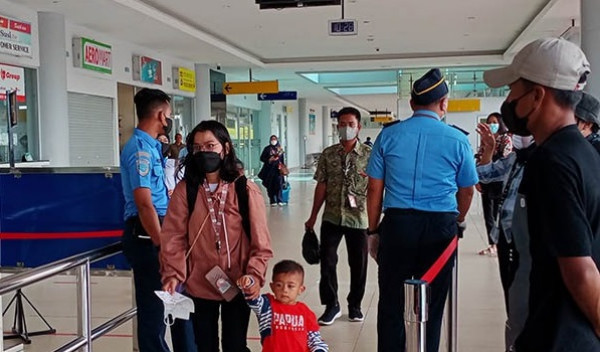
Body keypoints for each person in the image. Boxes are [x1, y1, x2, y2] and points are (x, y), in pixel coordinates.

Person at [483, 37, 600, 351]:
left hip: (559, 335)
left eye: (513, 90)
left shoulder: (551, 163)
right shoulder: (582, 152)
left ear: (536, 96)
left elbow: (579, 269)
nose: (508, 100)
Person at [366, 68, 478, 352]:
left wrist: (373, 230)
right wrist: (459, 220)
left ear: (412, 104)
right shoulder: (458, 139)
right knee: (433, 301)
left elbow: (374, 190)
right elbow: (466, 190)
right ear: (444, 103)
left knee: (391, 301)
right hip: (440, 229)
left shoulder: (388, 136)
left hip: (397, 225)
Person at [160, 120, 273, 352]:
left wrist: (254, 275)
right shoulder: (186, 190)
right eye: (198, 148)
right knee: (204, 345)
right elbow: (174, 236)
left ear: (226, 148)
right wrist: (173, 274)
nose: (204, 152)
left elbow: (261, 240)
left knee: (235, 345)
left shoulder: (244, 188)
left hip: (238, 282)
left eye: (211, 146)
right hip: (198, 283)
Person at [304, 106, 371, 326]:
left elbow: (376, 189)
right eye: (342, 124)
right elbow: (321, 186)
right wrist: (313, 216)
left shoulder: (369, 156)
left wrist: (376, 219)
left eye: (350, 124)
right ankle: (331, 305)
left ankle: (355, 305)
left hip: (358, 218)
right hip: (331, 216)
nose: (346, 128)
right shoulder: (328, 154)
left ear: (358, 127)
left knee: (358, 263)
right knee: (328, 262)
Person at [120, 88, 173, 352]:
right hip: (147, 233)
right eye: (169, 115)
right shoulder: (140, 150)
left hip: (157, 228)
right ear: (161, 115)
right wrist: (161, 244)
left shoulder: (153, 147)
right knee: (153, 310)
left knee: (161, 306)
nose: (169, 120)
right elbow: (144, 203)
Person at [476, 125, 536, 351]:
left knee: (527, 297)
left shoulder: (544, 159)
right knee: (512, 294)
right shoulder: (514, 160)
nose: (518, 137)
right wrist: (489, 150)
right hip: (506, 237)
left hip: (528, 240)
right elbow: (484, 174)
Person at [237, 260, 329, 352]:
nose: (284, 290)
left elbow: (315, 339)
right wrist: (249, 284)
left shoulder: (306, 313)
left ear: (301, 289)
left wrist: (319, 350)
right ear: (272, 287)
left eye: (290, 286)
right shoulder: (266, 306)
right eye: (279, 285)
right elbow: (253, 299)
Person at [477, 113, 513, 256]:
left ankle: (500, 243)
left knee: (498, 213)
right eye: (489, 122)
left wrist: (491, 153)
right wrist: (477, 179)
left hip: (500, 183)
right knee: (488, 214)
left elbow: (505, 161)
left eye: (494, 122)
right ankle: (492, 243)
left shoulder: (506, 139)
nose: (492, 124)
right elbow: (480, 158)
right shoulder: (485, 140)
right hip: (487, 182)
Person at [258, 135, 286, 206]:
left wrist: (283, 167)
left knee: (279, 184)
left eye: (275, 139)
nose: (273, 141)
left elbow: (282, 160)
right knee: (270, 185)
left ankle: (280, 200)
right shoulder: (267, 149)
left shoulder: (280, 149)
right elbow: (262, 158)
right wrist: (269, 160)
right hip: (269, 170)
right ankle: (272, 200)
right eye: (272, 139)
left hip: (278, 170)